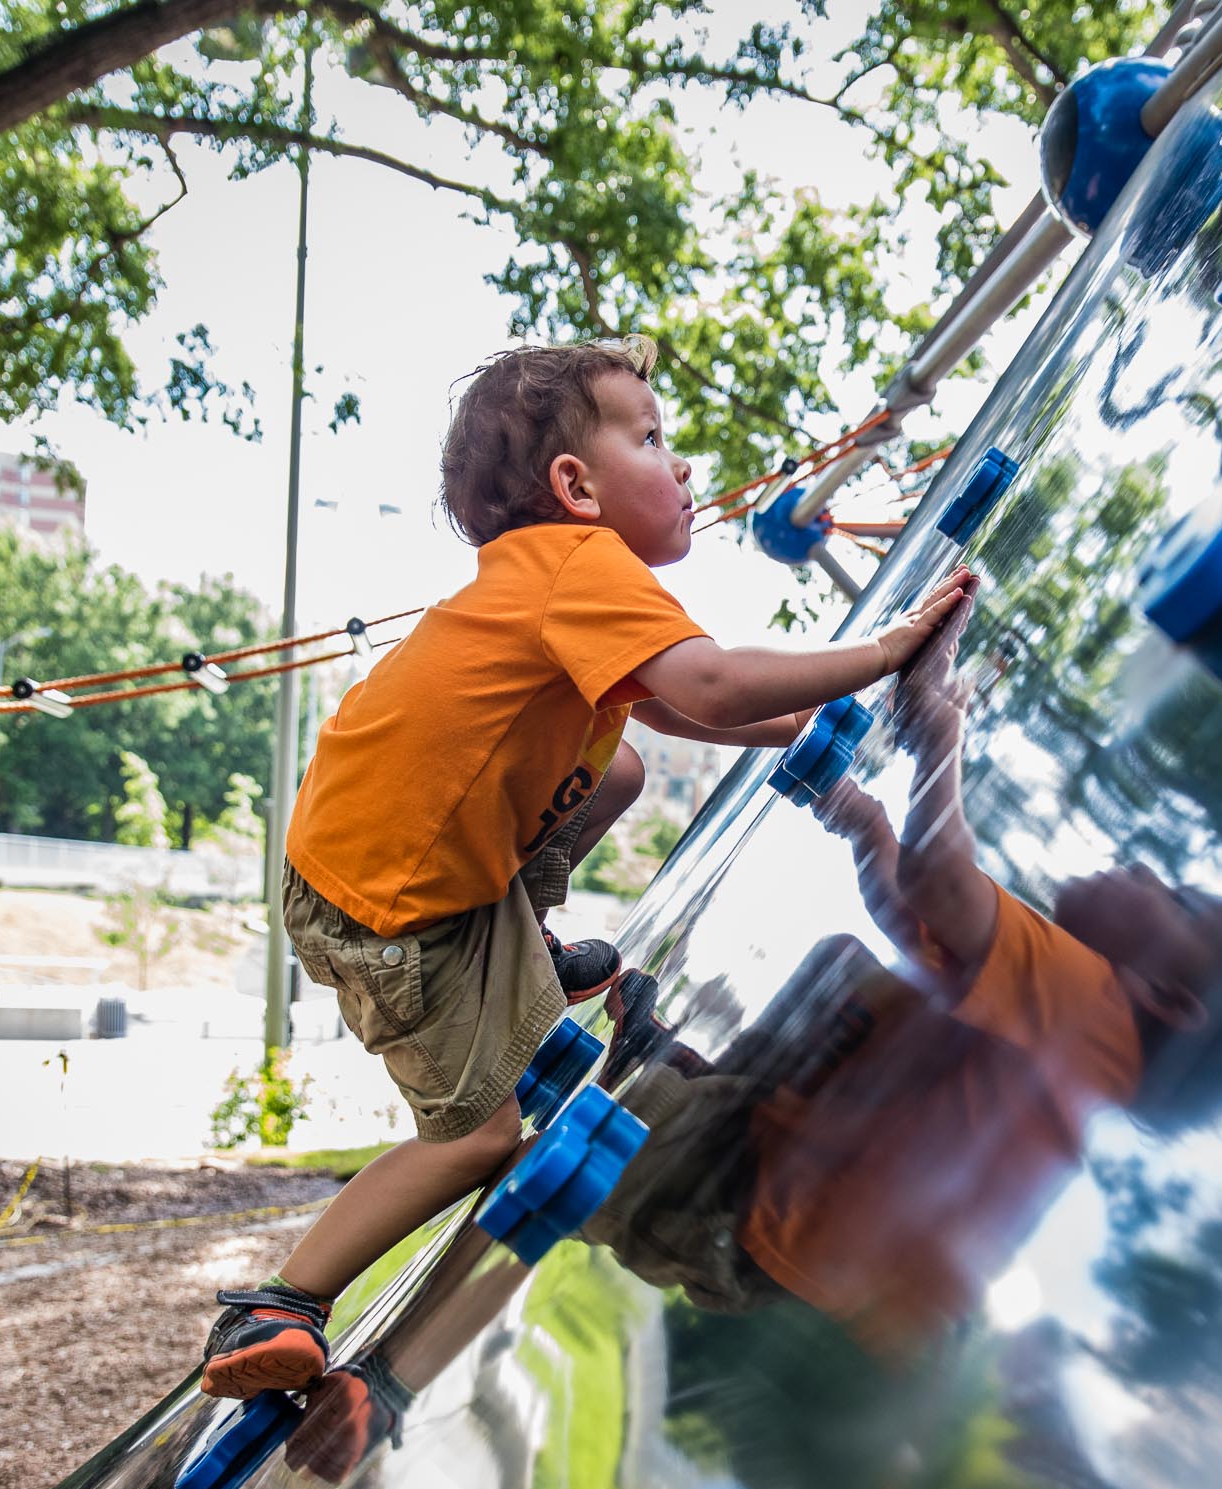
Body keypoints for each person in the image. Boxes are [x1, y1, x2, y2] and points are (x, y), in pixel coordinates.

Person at [200, 335, 970, 1398]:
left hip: (404, 867)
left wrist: (832, 715)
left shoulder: (551, 580)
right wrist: (881, 652)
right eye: (652, 440)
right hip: (388, 916)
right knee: (479, 1140)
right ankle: (277, 1305)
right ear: (575, 486)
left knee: (618, 773)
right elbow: (708, 680)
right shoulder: (579, 564)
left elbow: (671, 701)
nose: (684, 465)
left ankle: (529, 943)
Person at [587, 603, 1222, 1358]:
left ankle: (596, 1094)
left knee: (577, 1133)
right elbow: (907, 907)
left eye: (1179, 901)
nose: (1150, 871)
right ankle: (669, 1075)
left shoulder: (1096, 1025)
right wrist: (858, 816)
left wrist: (939, 736)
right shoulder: (1052, 1019)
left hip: (738, 1205)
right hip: (779, 1180)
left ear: (1167, 1000)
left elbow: (938, 882)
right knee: (856, 973)